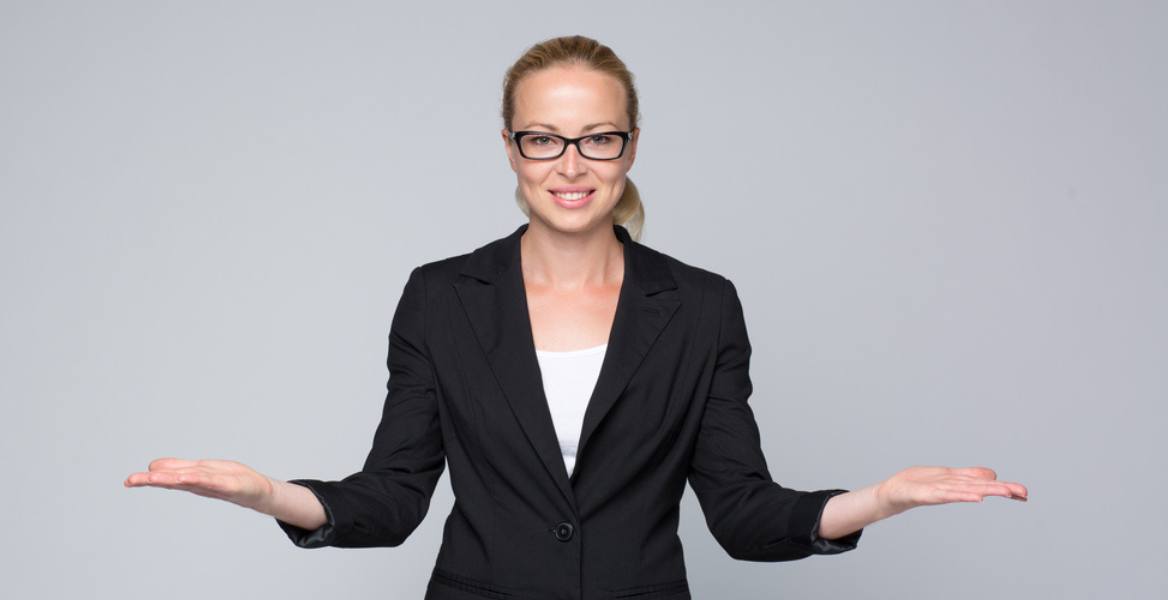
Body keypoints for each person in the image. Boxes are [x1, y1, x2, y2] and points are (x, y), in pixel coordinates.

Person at [125, 35, 1028, 599]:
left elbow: (745, 518)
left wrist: (881, 499)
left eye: (597, 137)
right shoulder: (442, 297)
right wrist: (267, 494)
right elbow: (394, 499)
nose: (571, 164)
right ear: (510, 149)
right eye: (543, 138)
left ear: (629, 146)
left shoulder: (701, 306)